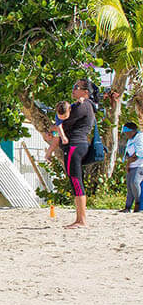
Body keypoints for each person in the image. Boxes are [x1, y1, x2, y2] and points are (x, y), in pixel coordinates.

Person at [60, 79, 96, 229]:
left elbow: (65, 121)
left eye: (77, 87)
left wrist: (57, 127)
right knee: (76, 180)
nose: (73, 89)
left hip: (75, 145)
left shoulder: (84, 105)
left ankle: (81, 220)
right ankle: (80, 218)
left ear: (85, 92)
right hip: (79, 144)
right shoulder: (88, 105)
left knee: (75, 180)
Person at [122, 122, 143, 213]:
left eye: (127, 132)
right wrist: (128, 162)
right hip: (131, 165)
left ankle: (138, 204)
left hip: (139, 165)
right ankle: (127, 207)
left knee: (134, 183)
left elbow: (139, 152)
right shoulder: (130, 139)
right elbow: (128, 152)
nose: (126, 135)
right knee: (129, 187)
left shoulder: (140, 137)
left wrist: (129, 162)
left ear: (133, 131)